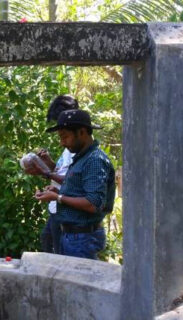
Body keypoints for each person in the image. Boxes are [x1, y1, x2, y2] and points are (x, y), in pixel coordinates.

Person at [35, 109, 115, 260]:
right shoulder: (82, 158)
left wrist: (58, 197)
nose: (62, 142)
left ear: (82, 132)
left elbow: (93, 203)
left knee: (80, 280)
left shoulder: (95, 160)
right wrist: (56, 190)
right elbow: (79, 187)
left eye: (65, 137)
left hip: (83, 238)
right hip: (73, 236)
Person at [23, 95, 78, 254]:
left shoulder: (79, 148)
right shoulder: (69, 147)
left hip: (65, 209)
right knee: (47, 241)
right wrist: (49, 162)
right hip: (57, 207)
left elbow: (71, 179)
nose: (61, 138)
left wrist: (45, 173)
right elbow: (62, 171)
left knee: (59, 256)